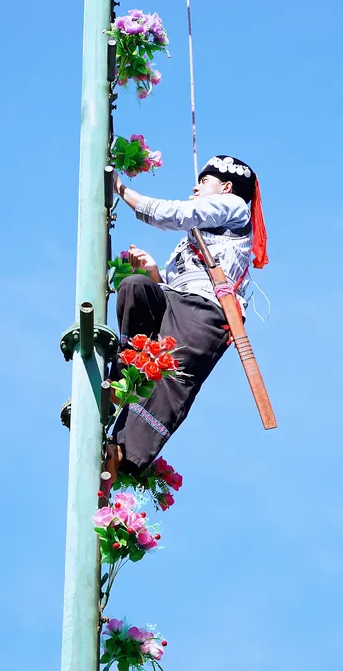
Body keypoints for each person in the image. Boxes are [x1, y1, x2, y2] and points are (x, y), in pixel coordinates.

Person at [106, 155, 268, 481]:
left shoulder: (234, 206)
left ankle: (124, 451)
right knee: (136, 286)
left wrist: (121, 189)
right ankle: (124, 374)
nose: (195, 187)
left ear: (226, 187)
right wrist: (153, 272)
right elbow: (170, 285)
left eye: (204, 181)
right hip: (176, 300)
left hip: (205, 311)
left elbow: (174, 214)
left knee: (171, 376)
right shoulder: (195, 238)